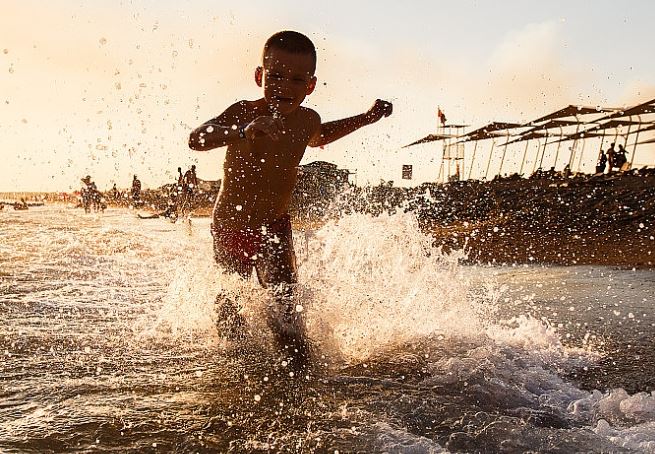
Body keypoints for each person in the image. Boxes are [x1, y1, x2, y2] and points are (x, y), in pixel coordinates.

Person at [188, 30, 392, 362]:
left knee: (287, 315)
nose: (285, 86)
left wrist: (366, 118)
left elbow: (321, 135)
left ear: (310, 85)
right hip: (231, 229)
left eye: (297, 79)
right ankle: (238, 374)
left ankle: (296, 374)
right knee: (230, 312)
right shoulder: (243, 113)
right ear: (260, 76)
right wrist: (242, 132)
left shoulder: (307, 120)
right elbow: (197, 139)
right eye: (276, 76)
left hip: (275, 228)